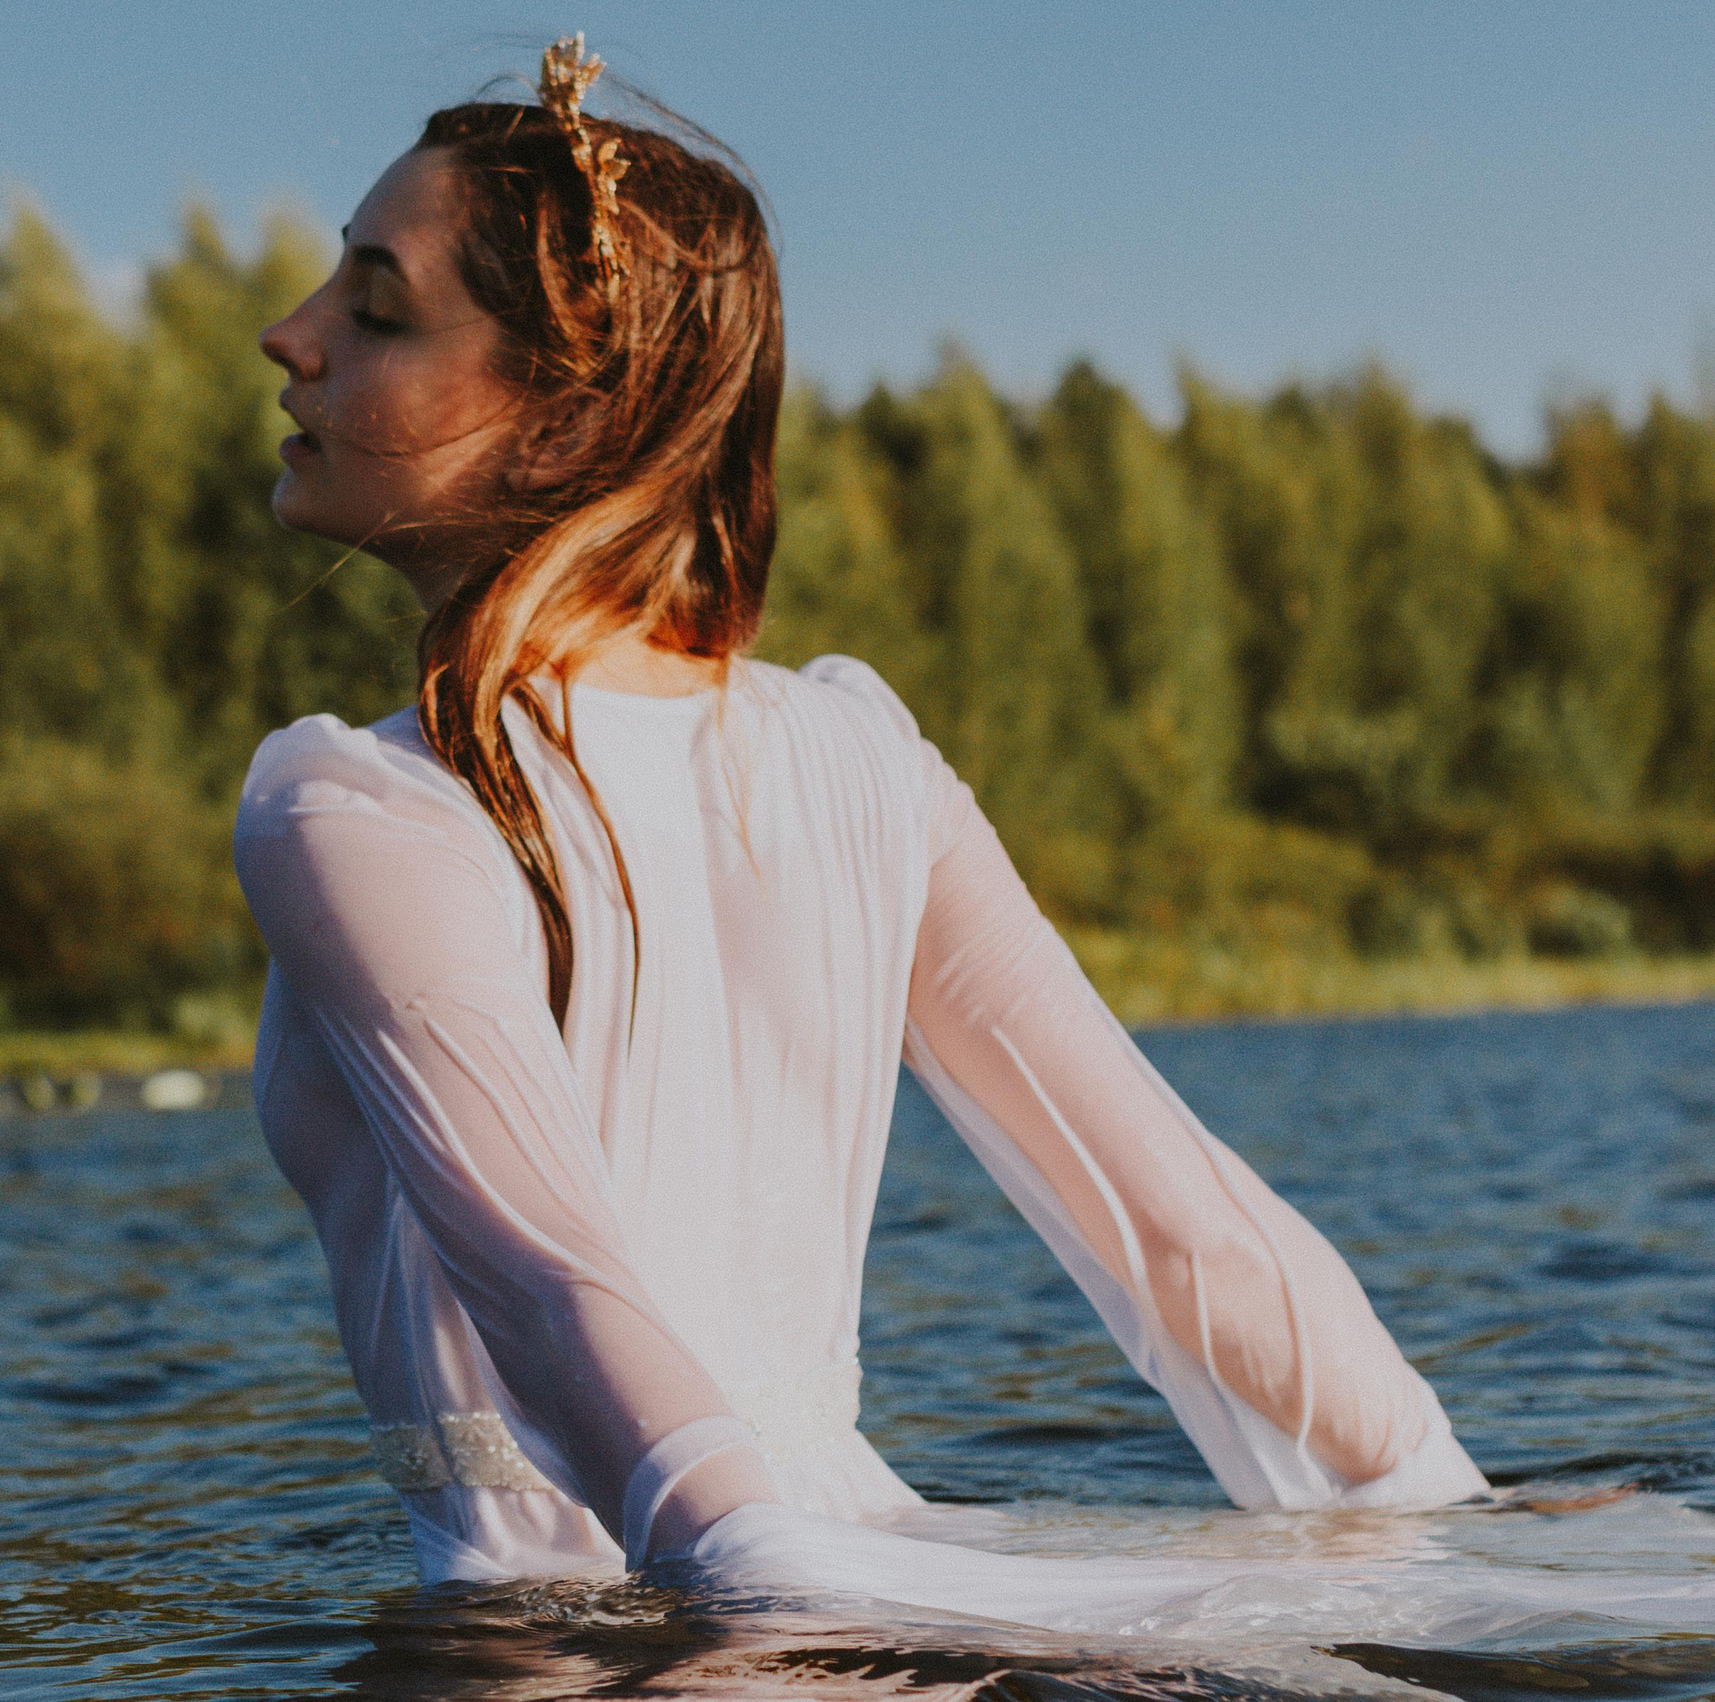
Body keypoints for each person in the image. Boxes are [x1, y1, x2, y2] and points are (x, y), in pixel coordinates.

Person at [232, 41, 1702, 1633]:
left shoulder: (350, 805)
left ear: (563, 425)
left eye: (375, 308)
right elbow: (1185, 1232)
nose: (290, 337)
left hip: (648, 1638)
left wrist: (780, 1609)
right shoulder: (861, 755)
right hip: (859, 1581)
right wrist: (1443, 1510)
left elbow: (552, 1286)